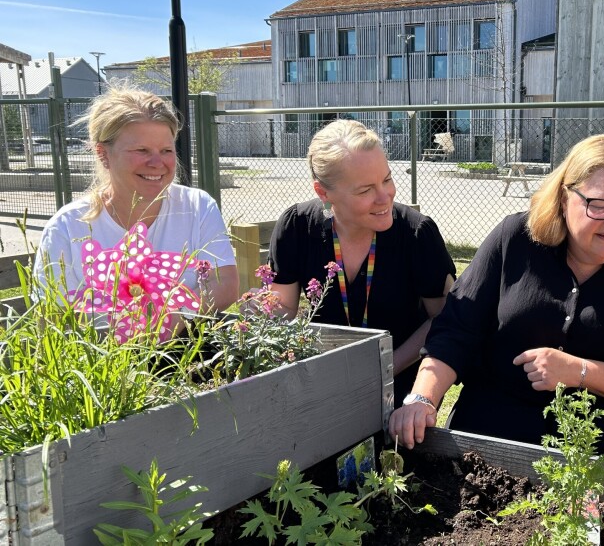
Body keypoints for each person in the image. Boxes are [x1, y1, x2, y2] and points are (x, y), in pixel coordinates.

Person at [389, 134, 604, 462]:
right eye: (599, 205)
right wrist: (422, 398)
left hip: (598, 427)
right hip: (495, 413)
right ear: (564, 198)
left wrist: (578, 371)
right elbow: (456, 328)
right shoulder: (515, 238)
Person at [268, 119, 456, 405]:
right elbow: (281, 311)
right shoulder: (296, 226)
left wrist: (385, 366)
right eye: (365, 190)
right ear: (323, 193)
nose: (385, 197)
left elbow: (443, 319)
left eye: (387, 179)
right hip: (327, 384)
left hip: (402, 389)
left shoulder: (417, 234)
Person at [34, 86, 238, 312]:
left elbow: (224, 282)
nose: (156, 162)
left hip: (184, 344)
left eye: (166, 150)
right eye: (142, 150)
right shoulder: (69, 226)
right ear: (103, 154)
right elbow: (51, 317)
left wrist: (165, 326)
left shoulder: (197, 206)